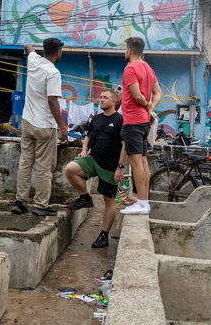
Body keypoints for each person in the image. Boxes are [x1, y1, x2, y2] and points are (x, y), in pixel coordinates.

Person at [12, 38, 67, 217]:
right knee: (44, 166)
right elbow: (52, 100)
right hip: (44, 125)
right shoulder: (53, 72)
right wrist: (62, 127)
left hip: (27, 123)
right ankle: (41, 205)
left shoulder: (33, 60)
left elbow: (28, 46)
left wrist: (29, 47)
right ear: (58, 52)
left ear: (44, 50)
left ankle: (20, 202)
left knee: (25, 163)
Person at [64, 89, 125, 248]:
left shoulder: (120, 120)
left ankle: (104, 236)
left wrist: (120, 166)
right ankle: (85, 197)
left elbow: (125, 145)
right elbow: (88, 136)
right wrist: (84, 149)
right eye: (101, 97)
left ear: (114, 101)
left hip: (110, 166)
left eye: (105, 97)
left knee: (109, 200)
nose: (101, 99)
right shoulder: (96, 119)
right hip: (93, 159)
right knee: (70, 169)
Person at [119, 37, 161, 215]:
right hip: (143, 121)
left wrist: (145, 106)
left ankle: (142, 203)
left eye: (125, 49)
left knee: (136, 163)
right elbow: (158, 93)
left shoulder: (130, 68)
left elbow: (136, 95)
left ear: (129, 50)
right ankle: (144, 201)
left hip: (133, 121)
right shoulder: (148, 68)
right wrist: (150, 108)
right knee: (143, 161)